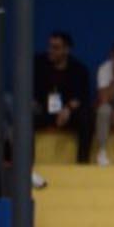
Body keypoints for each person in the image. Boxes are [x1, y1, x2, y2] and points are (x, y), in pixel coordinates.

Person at [32, 32, 90, 164]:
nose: (51, 51)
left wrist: (67, 109)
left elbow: (80, 97)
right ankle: (27, 164)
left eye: (56, 48)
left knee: (86, 117)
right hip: (44, 111)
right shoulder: (38, 64)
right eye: (50, 46)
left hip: (67, 113)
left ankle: (82, 163)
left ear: (66, 50)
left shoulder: (79, 70)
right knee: (25, 117)